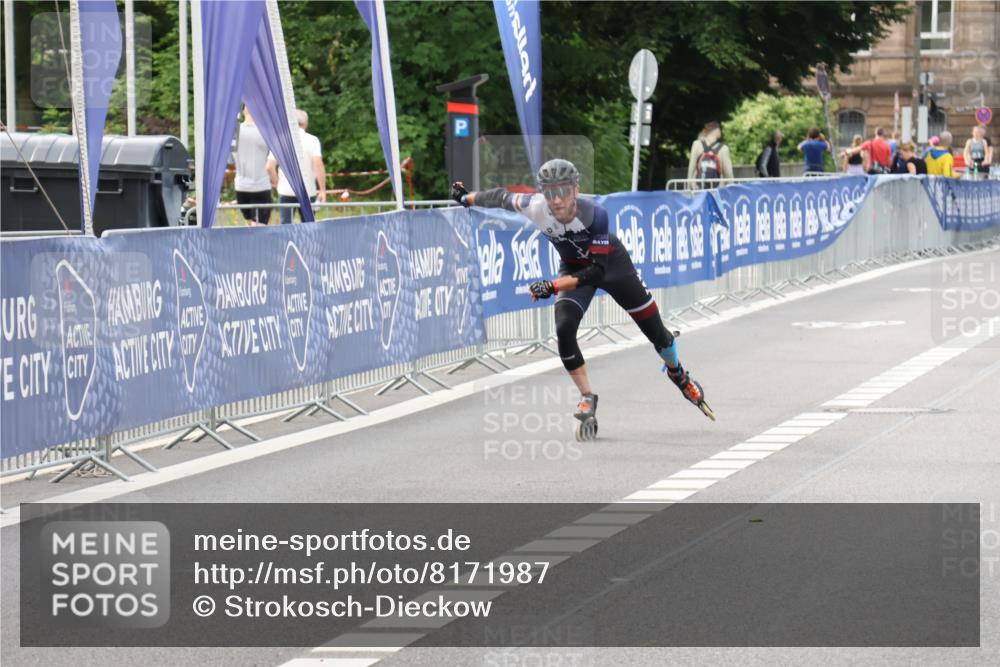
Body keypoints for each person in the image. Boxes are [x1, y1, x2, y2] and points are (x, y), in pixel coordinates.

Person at [451, 159, 715, 430]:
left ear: (576, 190)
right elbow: (500, 197)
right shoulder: (535, 207)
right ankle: (587, 396)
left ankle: (678, 374)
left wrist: (553, 286)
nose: (556, 200)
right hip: (573, 269)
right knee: (564, 329)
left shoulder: (595, 214)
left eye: (563, 191)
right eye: (550, 192)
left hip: (611, 266)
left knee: (657, 334)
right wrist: (466, 197)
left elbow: (597, 272)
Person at [267, 109, 327, 224]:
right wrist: (323, 190)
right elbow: (318, 165)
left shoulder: (281, 140)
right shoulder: (313, 140)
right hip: (308, 191)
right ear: (306, 124)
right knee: (309, 227)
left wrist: (277, 182)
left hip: (286, 190)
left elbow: (269, 166)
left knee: (286, 228)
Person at [233, 106, 272, 225]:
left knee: (249, 226)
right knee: (260, 227)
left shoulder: (234, 132)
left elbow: (229, 160)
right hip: (261, 185)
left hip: (241, 186)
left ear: (244, 111)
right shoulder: (266, 131)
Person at [687, 121, 733, 187]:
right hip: (716, 190)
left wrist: (689, 187)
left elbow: (691, 168)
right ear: (716, 131)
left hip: (698, 190)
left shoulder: (696, 144)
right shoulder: (723, 149)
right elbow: (728, 174)